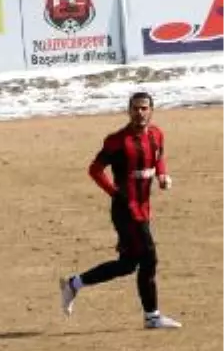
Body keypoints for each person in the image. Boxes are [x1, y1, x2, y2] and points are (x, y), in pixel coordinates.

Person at [60, 92, 180, 329]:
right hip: (125, 210)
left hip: (144, 207)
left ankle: (74, 284)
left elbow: (159, 157)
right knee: (149, 257)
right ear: (128, 111)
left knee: (128, 264)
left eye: (144, 108)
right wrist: (115, 193)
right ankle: (152, 316)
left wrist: (163, 175)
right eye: (135, 108)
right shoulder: (116, 141)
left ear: (152, 110)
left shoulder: (156, 134)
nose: (140, 112)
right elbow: (95, 169)